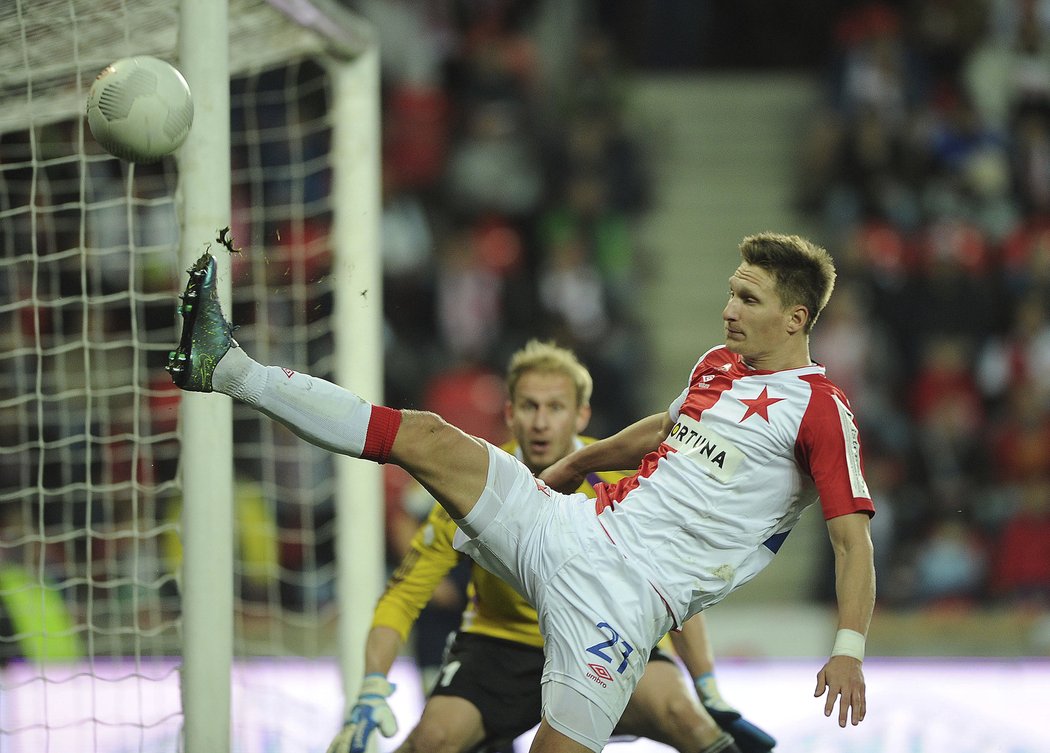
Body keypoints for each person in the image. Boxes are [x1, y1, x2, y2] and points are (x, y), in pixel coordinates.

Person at [167, 232, 875, 753]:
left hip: (624, 606)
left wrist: (848, 646)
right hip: (570, 528)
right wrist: (575, 466)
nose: (727, 309)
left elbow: (852, 543)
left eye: (747, 298)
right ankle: (226, 367)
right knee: (430, 435)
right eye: (729, 289)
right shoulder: (719, 365)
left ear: (796, 318)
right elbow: (667, 426)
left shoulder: (820, 411)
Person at [324, 339, 775, 753]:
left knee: (686, 719)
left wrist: (709, 690)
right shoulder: (474, 482)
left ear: (581, 415)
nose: (540, 422)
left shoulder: (627, 479)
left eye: (555, 407)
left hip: (605, 636)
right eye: (529, 406)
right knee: (432, 739)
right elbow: (402, 597)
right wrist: (370, 688)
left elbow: (672, 590)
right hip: (504, 645)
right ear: (509, 413)